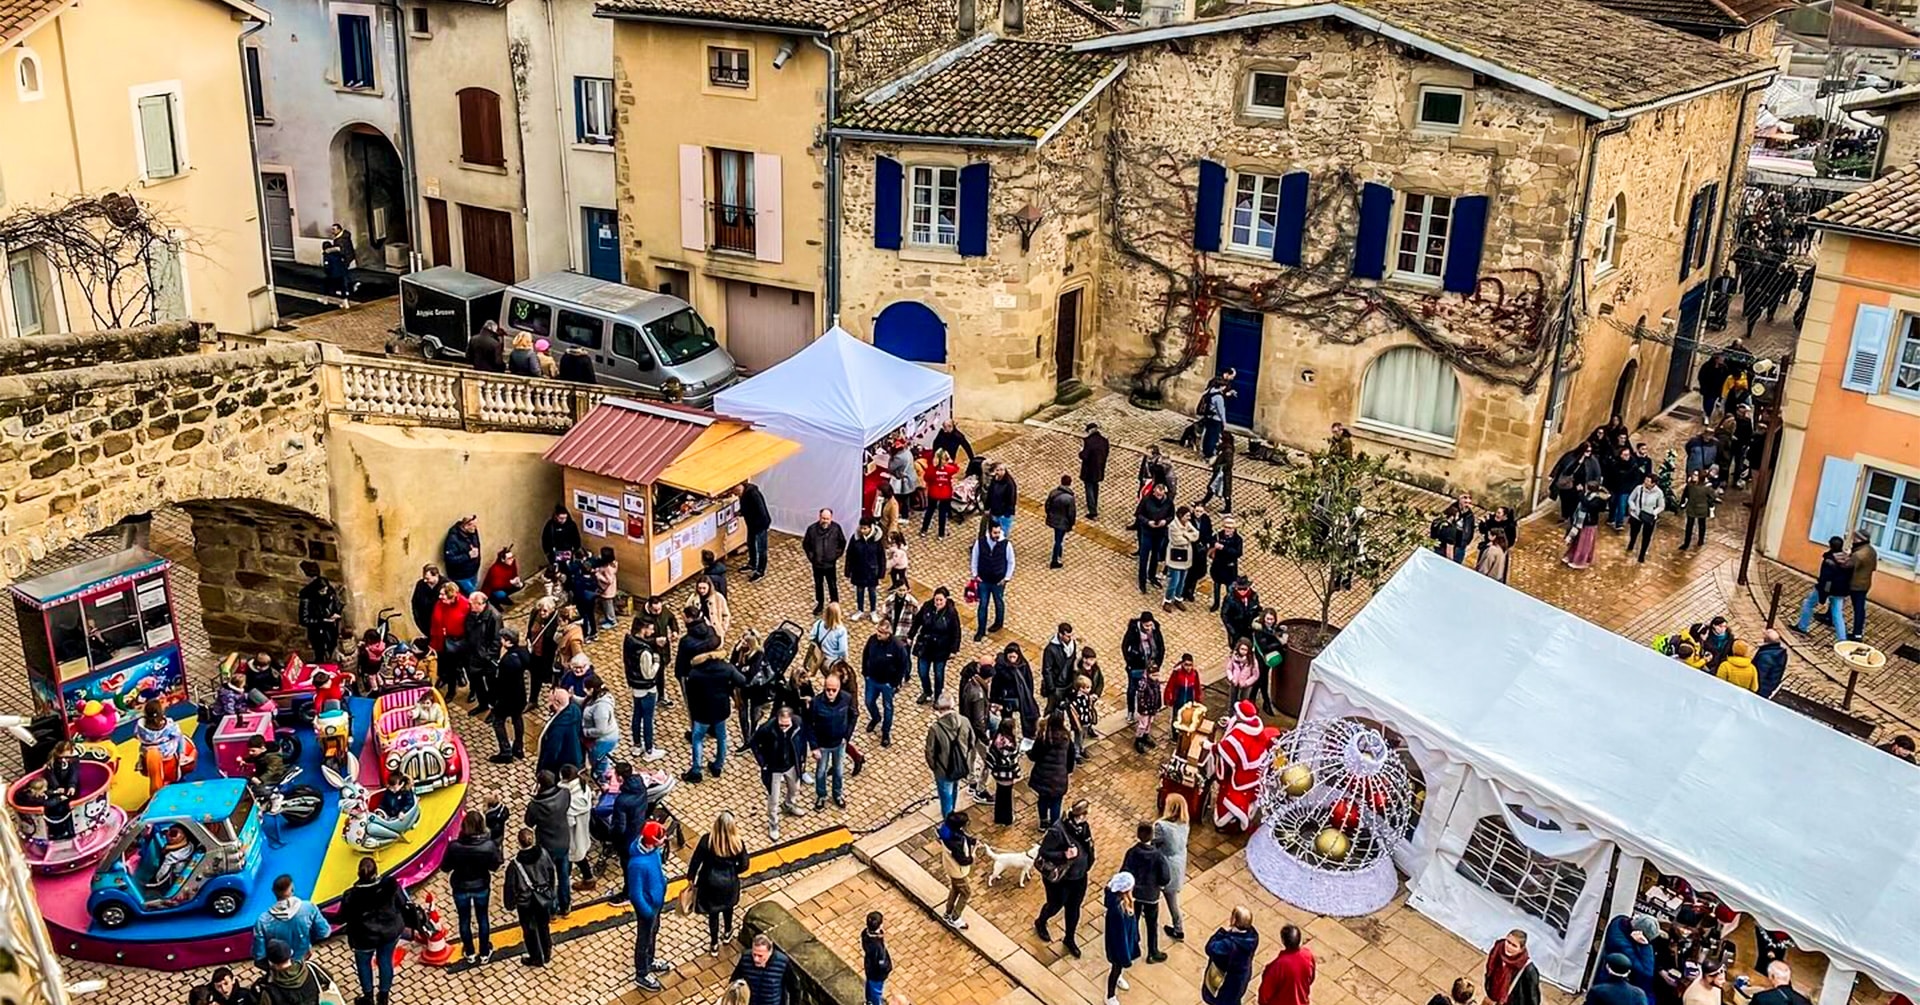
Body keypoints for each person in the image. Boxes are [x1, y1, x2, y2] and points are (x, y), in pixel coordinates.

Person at [338, 857, 406, 1005]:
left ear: (358, 874)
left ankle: (368, 997)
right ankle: (383, 997)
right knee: (385, 961)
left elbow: (342, 917)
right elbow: (401, 903)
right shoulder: (390, 885)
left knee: (363, 964)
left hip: (363, 936)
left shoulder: (352, 895)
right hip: (389, 931)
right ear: (376, 871)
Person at [441, 809, 502, 965]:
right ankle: (484, 951)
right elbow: (495, 866)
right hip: (481, 885)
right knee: (482, 918)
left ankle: (469, 951)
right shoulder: (488, 846)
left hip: (461, 887)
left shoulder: (454, 846)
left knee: (464, 919)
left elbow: (445, 867)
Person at [685, 642, 748, 784]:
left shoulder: (695, 672)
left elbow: (690, 694)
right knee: (722, 738)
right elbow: (743, 681)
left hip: (702, 711)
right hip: (721, 709)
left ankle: (696, 770)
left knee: (697, 739)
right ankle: (718, 766)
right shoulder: (727, 669)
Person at [622, 819, 669, 992]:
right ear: (653, 841)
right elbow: (635, 894)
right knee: (644, 939)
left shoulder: (653, 852)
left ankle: (650, 961)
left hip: (656, 904)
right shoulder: (637, 864)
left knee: (653, 933)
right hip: (648, 909)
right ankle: (642, 973)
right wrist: (647, 911)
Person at [751, 705, 808, 841]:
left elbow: (802, 741)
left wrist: (802, 759)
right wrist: (763, 763)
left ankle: (789, 804)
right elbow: (754, 743)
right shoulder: (767, 728)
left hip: (791, 764)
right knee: (774, 799)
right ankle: (773, 824)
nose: (783, 728)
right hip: (773, 768)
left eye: (786, 725)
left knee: (795, 789)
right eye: (781, 725)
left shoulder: (798, 724)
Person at [523, 770, 574, 917]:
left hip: (546, 845)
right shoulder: (565, 794)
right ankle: (565, 906)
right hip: (563, 841)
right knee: (564, 876)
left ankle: (551, 910)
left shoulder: (536, 805)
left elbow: (529, 822)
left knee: (549, 879)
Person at [504, 828, 558, 967]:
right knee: (543, 926)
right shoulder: (544, 854)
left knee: (529, 931)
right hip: (542, 898)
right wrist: (551, 891)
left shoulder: (515, 865)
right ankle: (547, 952)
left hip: (525, 903)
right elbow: (551, 872)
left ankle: (535, 957)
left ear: (519, 843)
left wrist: (510, 904)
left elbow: (510, 886)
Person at [251, 874, 331, 965]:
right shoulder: (309, 908)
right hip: (303, 959)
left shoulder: (262, 921)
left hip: (280, 966)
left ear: (273, 891)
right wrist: (307, 940)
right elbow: (324, 932)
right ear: (292, 890)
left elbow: (259, 954)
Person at [809, 669, 858, 810]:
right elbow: (809, 725)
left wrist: (846, 737)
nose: (830, 693)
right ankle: (821, 795)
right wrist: (814, 746)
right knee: (821, 772)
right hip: (822, 745)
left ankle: (837, 794)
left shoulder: (846, 699)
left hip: (839, 743)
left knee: (838, 771)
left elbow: (853, 715)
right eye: (828, 690)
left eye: (833, 690)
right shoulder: (816, 703)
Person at [924, 693, 976, 817]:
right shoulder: (964, 721)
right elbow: (972, 741)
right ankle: (953, 811)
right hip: (960, 764)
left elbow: (929, 752)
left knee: (945, 795)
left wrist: (935, 767)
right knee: (954, 789)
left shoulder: (935, 729)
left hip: (943, 769)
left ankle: (949, 822)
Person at [1792, 535, 1852, 639]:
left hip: (1827, 588)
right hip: (1840, 591)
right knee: (1837, 614)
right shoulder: (1846, 559)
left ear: (1830, 546)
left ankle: (1802, 627)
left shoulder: (1829, 561)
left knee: (1808, 603)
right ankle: (1842, 639)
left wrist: (1823, 595)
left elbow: (1827, 579)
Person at [910, 587, 962, 704]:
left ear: (945, 600)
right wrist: (910, 635)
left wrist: (954, 650)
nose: (938, 603)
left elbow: (956, 632)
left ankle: (938, 695)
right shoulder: (927, 607)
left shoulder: (951, 613)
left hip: (941, 648)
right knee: (922, 672)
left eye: (940, 600)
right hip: (925, 646)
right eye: (936, 600)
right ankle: (927, 691)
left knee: (939, 674)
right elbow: (917, 621)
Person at [623, 619, 664, 762]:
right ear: (643, 629)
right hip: (646, 688)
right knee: (647, 719)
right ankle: (649, 750)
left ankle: (636, 745)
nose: (652, 632)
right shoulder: (645, 652)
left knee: (636, 716)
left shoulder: (629, 642)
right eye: (650, 629)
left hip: (635, 686)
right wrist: (657, 662)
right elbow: (649, 674)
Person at [1204, 907, 1261, 1005]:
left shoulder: (1228, 944)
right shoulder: (1253, 936)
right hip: (1242, 977)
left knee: (1222, 1000)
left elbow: (1210, 948)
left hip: (1226, 979)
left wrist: (1221, 933)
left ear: (1234, 920)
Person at [1028, 712, 1075, 826]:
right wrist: (1067, 771)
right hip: (1059, 777)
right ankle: (1055, 826)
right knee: (1056, 802)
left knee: (1043, 799)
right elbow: (1071, 757)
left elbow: (1034, 756)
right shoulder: (1066, 738)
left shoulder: (1043, 737)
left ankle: (1043, 822)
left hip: (1043, 776)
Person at [970, 521, 1015, 642]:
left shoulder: (1006, 544)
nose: (997, 535)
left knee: (998, 601)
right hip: (983, 580)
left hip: (998, 581)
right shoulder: (980, 542)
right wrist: (975, 575)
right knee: (983, 605)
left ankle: (998, 622)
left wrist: (1006, 578)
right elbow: (975, 558)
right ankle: (981, 630)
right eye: (994, 532)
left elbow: (1011, 561)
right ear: (989, 532)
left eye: (998, 532)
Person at [1120, 610, 1165, 724]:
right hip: (1136, 665)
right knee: (1132, 689)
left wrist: (1158, 663)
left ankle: (1152, 707)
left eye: (1150, 625)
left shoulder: (1155, 630)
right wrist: (1129, 661)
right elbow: (1125, 646)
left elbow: (1161, 646)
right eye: (1146, 625)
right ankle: (1131, 711)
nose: (1149, 628)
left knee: (1152, 687)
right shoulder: (1134, 630)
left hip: (1151, 665)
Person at [1103, 871, 1141, 1005]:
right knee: (1116, 968)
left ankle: (1119, 976)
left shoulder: (1124, 903)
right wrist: (1125, 956)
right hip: (1119, 947)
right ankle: (1110, 996)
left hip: (1126, 940)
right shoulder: (1118, 911)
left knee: (1118, 969)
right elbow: (1120, 936)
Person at [731, 934, 800, 1005]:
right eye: (754, 954)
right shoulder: (745, 958)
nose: (756, 959)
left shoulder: (783, 963)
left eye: (760, 956)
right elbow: (733, 982)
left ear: (770, 952)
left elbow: (794, 989)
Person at [1602, 913, 1660, 997]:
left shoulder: (1620, 921)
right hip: (1615, 987)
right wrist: (1645, 946)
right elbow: (1647, 973)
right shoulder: (1622, 945)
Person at [561, 764, 598, 893]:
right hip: (583, 829)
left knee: (573, 856)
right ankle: (587, 878)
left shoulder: (568, 798)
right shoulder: (583, 787)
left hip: (573, 835)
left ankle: (566, 882)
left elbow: (569, 822)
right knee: (579, 855)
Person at [936, 810, 976, 929]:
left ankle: (948, 912)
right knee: (966, 893)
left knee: (955, 889)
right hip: (958, 871)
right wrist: (972, 857)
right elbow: (963, 860)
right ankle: (955, 917)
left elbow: (963, 836)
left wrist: (971, 841)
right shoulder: (956, 843)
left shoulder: (948, 832)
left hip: (950, 869)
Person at [802, 509, 847, 614]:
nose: (825, 521)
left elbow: (842, 543)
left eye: (827, 519)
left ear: (831, 518)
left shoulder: (836, 529)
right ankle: (820, 603)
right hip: (817, 564)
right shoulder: (812, 529)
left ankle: (834, 603)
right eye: (823, 518)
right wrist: (812, 557)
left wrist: (835, 555)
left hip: (830, 564)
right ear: (819, 517)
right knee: (818, 584)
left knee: (832, 584)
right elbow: (806, 544)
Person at [1258, 924, 1315, 1005]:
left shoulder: (1277, 966)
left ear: (1283, 941)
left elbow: (1264, 994)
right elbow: (1311, 978)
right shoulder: (1308, 955)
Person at [296, 564, 343, 662]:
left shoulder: (330, 593)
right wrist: (323, 620)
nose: (325, 592)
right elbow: (304, 619)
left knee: (331, 649)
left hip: (331, 629)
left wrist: (336, 612)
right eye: (322, 591)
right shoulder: (307, 600)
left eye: (326, 590)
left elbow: (336, 603)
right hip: (317, 632)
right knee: (320, 653)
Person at [535, 687, 583, 780]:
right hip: (574, 756)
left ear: (557, 703)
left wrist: (543, 771)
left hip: (561, 765)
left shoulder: (558, 728)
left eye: (550, 701)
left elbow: (552, 751)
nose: (548, 703)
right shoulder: (575, 709)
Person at [1133, 482, 1173, 593]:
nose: (1159, 496)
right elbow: (1139, 515)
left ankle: (1152, 576)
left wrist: (1165, 521)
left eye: (1161, 494)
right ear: (1154, 492)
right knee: (1144, 556)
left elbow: (1171, 515)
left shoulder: (1168, 502)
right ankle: (1142, 580)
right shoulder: (1146, 500)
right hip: (1147, 532)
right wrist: (1148, 522)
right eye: (1157, 494)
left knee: (1155, 555)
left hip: (1160, 532)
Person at [983, 718, 1022, 826]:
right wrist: (1017, 773)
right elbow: (1013, 763)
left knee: (1000, 795)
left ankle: (998, 817)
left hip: (997, 774)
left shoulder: (997, 739)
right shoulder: (1011, 745)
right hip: (1007, 775)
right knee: (1007, 798)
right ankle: (1007, 819)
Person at [259, 940, 323, 1005]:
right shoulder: (311, 967)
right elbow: (328, 978)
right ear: (291, 954)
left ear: (270, 962)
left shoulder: (270, 992)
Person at [845, 519, 886, 621]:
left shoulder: (877, 540)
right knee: (859, 591)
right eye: (861, 528)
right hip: (858, 570)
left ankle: (873, 611)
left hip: (872, 571)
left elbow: (881, 557)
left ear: (870, 527)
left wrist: (881, 572)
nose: (863, 530)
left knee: (872, 592)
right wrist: (848, 570)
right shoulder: (855, 539)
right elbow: (850, 555)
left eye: (865, 528)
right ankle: (860, 610)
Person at [1484, 930, 1539, 1005]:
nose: (1509, 947)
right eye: (1508, 942)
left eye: (1514, 945)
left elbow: (1533, 999)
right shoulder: (1497, 950)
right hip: (1491, 997)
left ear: (1521, 949)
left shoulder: (1528, 970)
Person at [1563, 482, 1606, 570]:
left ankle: (1580, 561)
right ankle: (1571, 557)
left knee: (1584, 544)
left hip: (1589, 524)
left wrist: (1580, 493)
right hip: (1579, 522)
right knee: (1576, 541)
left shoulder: (1598, 499)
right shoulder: (1587, 495)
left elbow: (1588, 505)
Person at [1624, 474, 1665, 563]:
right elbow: (1631, 499)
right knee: (1634, 532)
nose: (1645, 482)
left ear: (1653, 483)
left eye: (1648, 481)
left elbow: (1661, 506)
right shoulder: (1639, 488)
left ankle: (1642, 554)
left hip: (1649, 517)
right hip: (1637, 516)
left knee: (1646, 536)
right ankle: (1631, 543)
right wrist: (1633, 507)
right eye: (1645, 480)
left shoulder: (1658, 493)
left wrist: (1654, 512)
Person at [1040, 475, 1078, 569]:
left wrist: (1050, 514)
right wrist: (1072, 523)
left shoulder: (1053, 492)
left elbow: (1047, 505)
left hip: (1054, 520)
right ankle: (1055, 559)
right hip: (1063, 522)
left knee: (1057, 539)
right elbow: (1071, 513)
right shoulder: (1069, 498)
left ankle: (1058, 555)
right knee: (1058, 541)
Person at [737, 480, 772, 580]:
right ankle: (752, 564)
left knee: (761, 548)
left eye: (736, 491)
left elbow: (760, 510)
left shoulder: (753, 494)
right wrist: (741, 513)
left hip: (760, 524)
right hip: (752, 524)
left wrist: (758, 525)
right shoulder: (743, 494)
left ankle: (760, 571)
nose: (736, 494)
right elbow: (746, 508)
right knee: (750, 543)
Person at [922, 450, 960, 537]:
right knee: (942, 513)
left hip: (933, 492)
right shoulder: (949, 469)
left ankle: (924, 530)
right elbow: (956, 468)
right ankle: (941, 534)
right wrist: (951, 461)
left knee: (930, 511)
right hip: (945, 493)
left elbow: (926, 478)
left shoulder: (932, 469)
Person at [1847, 530, 1877, 640]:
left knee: (1857, 609)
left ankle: (1857, 633)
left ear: (1860, 540)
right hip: (1865, 584)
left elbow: (1848, 567)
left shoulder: (1858, 555)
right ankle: (1857, 633)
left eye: (1855, 538)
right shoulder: (1872, 551)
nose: (1853, 540)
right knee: (1860, 609)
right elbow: (1873, 568)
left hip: (1854, 585)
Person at [442, 515, 483, 594]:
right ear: (466, 526)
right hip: (461, 575)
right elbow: (450, 559)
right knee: (473, 595)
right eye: (473, 526)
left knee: (470, 594)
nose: (475, 528)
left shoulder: (473, 532)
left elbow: (477, 544)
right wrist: (468, 556)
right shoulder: (453, 539)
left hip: (473, 571)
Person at [1678, 471, 1715, 552]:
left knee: (1701, 524)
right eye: (1693, 474)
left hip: (1702, 509)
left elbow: (1712, 498)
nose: (1693, 476)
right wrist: (1683, 503)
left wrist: (1711, 507)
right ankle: (1686, 543)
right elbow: (1685, 494)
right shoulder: (1690, 485)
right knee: (1689, 526)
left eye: (1696, 475)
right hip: (1691, 507)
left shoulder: (1707, 487)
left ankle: (1701, 539)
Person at [1081, 422, 1110, 519]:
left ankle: (1093, 511)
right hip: (1099, 468)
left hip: (1089, 469)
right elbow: (1106, 454)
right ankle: (1095, 504)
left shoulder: (1089, 441)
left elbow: (1085, 455)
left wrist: (1080, 453)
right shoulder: (1104, 441)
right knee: (1095, 487)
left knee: (1089, 488)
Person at [862, 911, 893, 1005]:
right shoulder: (877, 946)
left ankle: (869, 1002)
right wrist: (887, 968)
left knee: (869, 986)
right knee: (876, 992)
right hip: (876, 974)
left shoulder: (865, 934)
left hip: (869, 968)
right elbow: (881, 964)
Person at [322, 223, 357, 299]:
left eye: (334, 229)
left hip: (345, 258)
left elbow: (339, 248)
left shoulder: (341, 239)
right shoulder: (344, 236)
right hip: (348, 257)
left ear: (339, 229)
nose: (332, 231)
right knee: (346, 274)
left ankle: (347, 289)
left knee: (343, 275)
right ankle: (350, 287)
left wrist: (328, 250)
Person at [985, 463, 1018, 536]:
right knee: (993, 532)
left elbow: (1011, 500)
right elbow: (990, 494)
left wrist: (1007, 514)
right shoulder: (994, 479)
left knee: (1002, 534)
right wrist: (987, 507)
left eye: (1002, 470)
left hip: (1004, 514)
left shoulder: (1009, 484)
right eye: (997, 470)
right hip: (994, 512)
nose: (999, 472)